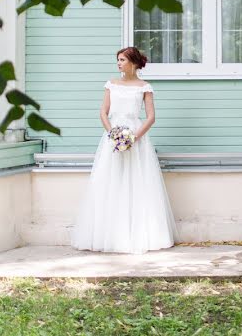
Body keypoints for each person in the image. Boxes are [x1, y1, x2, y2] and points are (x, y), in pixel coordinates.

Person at [72, 47, 176, 254]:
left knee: (138, 183)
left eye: (122, 60)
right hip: (112, 138)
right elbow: (103, 112)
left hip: (137, 139)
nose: (119, 63)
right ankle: (109, 234)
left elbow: (151, 117)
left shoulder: (144, 87)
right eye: (117, 60)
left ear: (134, 63)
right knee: (110, 182)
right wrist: (113, 135)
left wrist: (134, 138)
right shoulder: (111, 84)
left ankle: (138, 235)